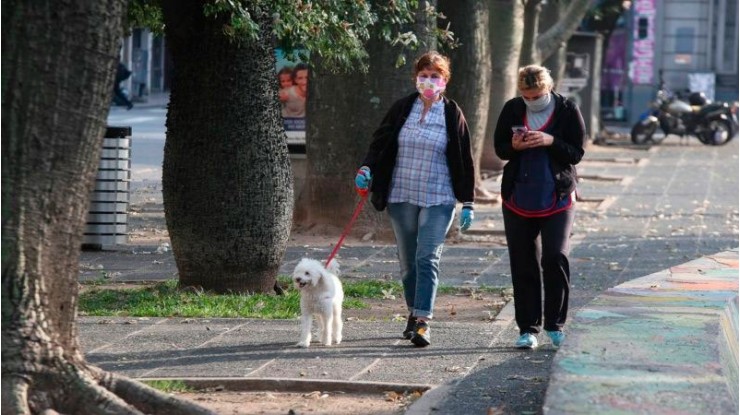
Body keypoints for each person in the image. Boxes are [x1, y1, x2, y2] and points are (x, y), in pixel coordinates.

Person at [355, 51, 475, 347]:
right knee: (409, 262)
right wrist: (367, 167)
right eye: (424, 75)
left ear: (445, 81)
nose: (429, 81)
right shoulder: (402, 108)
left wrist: (468, 201)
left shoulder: (451, 113)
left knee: (427, 256)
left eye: (435, 76)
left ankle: (423, 321)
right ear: (416, 78)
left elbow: (464, 158)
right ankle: (412, 312)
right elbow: (380, 142)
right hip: (402, 194)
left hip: (439, 196)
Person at [493, 65, 586, 350]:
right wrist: (515, 146)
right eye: (526, 96)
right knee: (523, 262)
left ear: (548, 88)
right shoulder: (512, 109)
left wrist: (550, 141)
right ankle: (527, 329)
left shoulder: (568, 109)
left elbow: (576, 153)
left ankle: (555, 326)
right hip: (518, 197)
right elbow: (500, 149)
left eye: (537, 95)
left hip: (557, 195)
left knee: (555, 257)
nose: (531, 101)